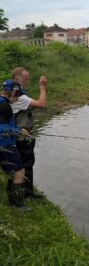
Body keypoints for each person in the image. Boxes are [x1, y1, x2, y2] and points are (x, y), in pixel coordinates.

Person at [11, 67, 47, 199]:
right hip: (21, 134)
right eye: (25, 79)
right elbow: (42, 104)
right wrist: (42, 87)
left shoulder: (11, 93)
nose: (28, 81)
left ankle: (25, 191)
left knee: (21, 163)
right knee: (27, 163)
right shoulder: (19, 97)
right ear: (16, 79)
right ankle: (26, 193)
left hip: (15, 133)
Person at [0, 79, 31, 211]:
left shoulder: (3, 103)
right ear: (12, 91)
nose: (17, 99)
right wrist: (19, 131)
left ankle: (11, 200)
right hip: (4, 144)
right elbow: (1, 127)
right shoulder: (4, 106)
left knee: (13, 171)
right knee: (20, 171)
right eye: (17, 96)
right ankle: (17, 204)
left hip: (5, 143)